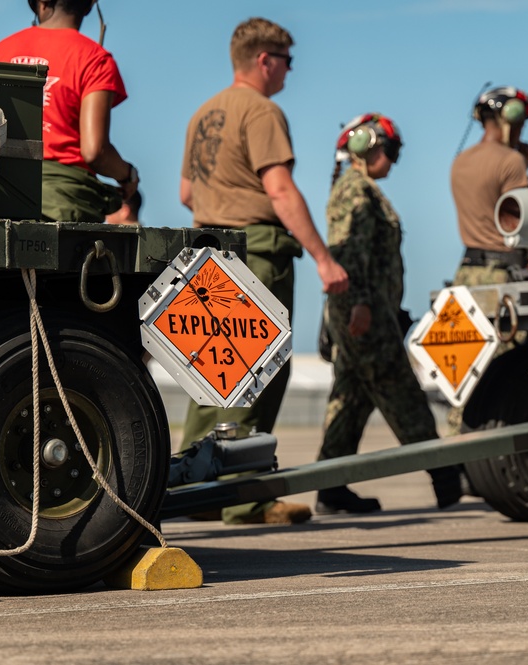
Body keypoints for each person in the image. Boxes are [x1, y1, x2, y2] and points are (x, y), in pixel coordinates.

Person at [178, 17, 348, 525]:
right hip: (255, 249)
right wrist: (323, 256)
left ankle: (196, 488)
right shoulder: (262, 110)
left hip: (207, 250)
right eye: (287, 62)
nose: (290, 73)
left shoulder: (201, 114)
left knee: (212, 372)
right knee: (258, 369)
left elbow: (187, 194)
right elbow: (279, 190)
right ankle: (244, 496)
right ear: (264, 60)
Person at [316, 113, 462, 514]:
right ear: (367, 145)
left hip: (368, 309)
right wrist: (362, 303)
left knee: (351, 398)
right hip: (362, 312)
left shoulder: (360, 189)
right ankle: (446, 477)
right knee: (399, 389)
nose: (393, 161)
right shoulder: (356, 192)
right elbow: (347, 253)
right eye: (391, 151)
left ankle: (330, 487)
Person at [0, 0, 138, 223]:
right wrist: (127, 175)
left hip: (0, 198)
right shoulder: (95, 60)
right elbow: (96, 152)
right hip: (66, 206)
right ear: (88, 6)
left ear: (41, 3)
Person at [447, 86, 528, 439]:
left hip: (466, 272)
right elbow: (516, 222)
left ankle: (456, 446)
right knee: (506, 369)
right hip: (501, 275)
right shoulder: (511, 162)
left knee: (464, 365)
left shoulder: (460, 161)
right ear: (509, 117)